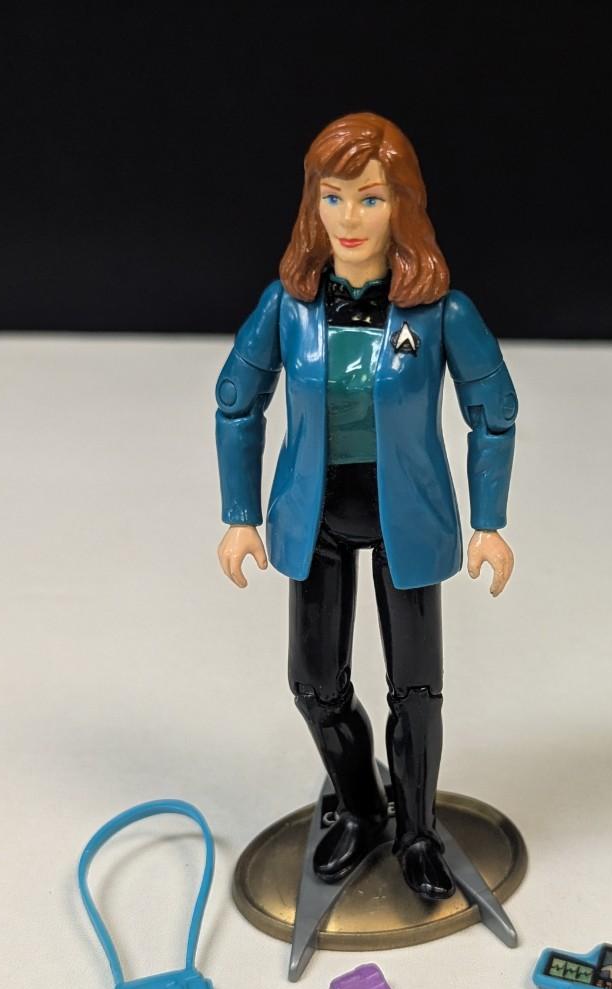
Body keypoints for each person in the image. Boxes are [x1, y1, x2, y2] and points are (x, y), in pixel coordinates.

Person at [214, 113, 518, 901]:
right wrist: (239, 513)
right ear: (311, 203)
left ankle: (417, 831)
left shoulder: (441, 313)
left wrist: (488, 523)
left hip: (404, 513)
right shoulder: (287, 308)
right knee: (313, 684)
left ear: (401, 206)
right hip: (312, 510)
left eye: (371, 198)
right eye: (334, 197)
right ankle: (360, 806)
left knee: (415, 690)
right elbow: (237, 401)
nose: (349, 217)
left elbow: (492, 412)